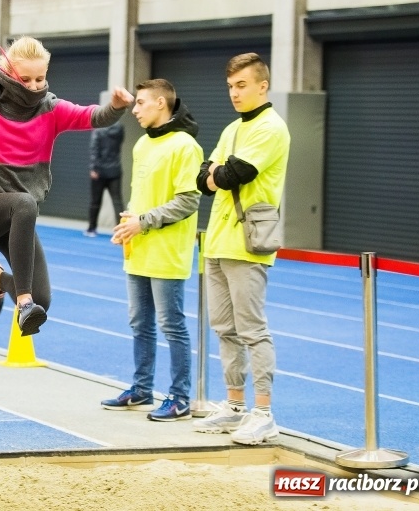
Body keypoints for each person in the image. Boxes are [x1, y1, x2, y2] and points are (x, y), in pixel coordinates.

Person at [0, 26, 134, 336]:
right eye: (26, 79)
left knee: (42, 298)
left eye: (40, 79)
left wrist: (116, 106)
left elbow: (94, 116)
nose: (34, 86)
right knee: (23, 203)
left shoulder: (52, 110)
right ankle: (22, 302)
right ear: (8, 73)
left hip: (19, 217)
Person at [193, 53, 290, 444]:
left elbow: (237, 173)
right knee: (224, 329)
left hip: (248, 242)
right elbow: (204, 178)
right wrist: (216, 173)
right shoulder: (233, 128)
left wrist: (218, 172)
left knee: (252, 330)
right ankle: (234, 405)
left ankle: (263, 412)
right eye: (231, 86)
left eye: (242, 85)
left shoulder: (272, 128)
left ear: (262, 86)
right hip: (217, 239)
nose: (234, 93)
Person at [100, 79, 202, 421]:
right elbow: (140, 194)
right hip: (138, 247)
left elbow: (187, 201)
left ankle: (180, 397)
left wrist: (142, 221)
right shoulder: (142, 144)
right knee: (139, 323)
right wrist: (127, 223)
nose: (136, 109)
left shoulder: (185, 146)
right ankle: (141, 389)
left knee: (171, 325)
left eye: (141, 103)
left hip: (167, 251)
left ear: (161, 103)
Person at [84, 122, 125, 237]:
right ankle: (121, 230)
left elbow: (94, 149)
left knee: (95, 202)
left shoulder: (98, 130)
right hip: (115, 170)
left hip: (99, 171)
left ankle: (91, 229)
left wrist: (93, 168)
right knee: (117, 202)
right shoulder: (119, 129)